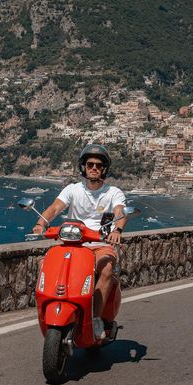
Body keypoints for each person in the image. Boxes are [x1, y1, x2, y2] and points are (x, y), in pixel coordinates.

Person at [32, 144, 127, 339]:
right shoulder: (73, 189)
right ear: (83, 167)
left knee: (107, 267)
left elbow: (120, 211)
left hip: (100, 244)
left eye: (99, 165)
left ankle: (97, 318)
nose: (94, 168)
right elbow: (55, 207)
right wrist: (41, 223)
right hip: (73, 244)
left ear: (104, 169)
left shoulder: (113, 192)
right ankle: (47, 310)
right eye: (90, 164)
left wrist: (117, 229)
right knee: (43, 264)